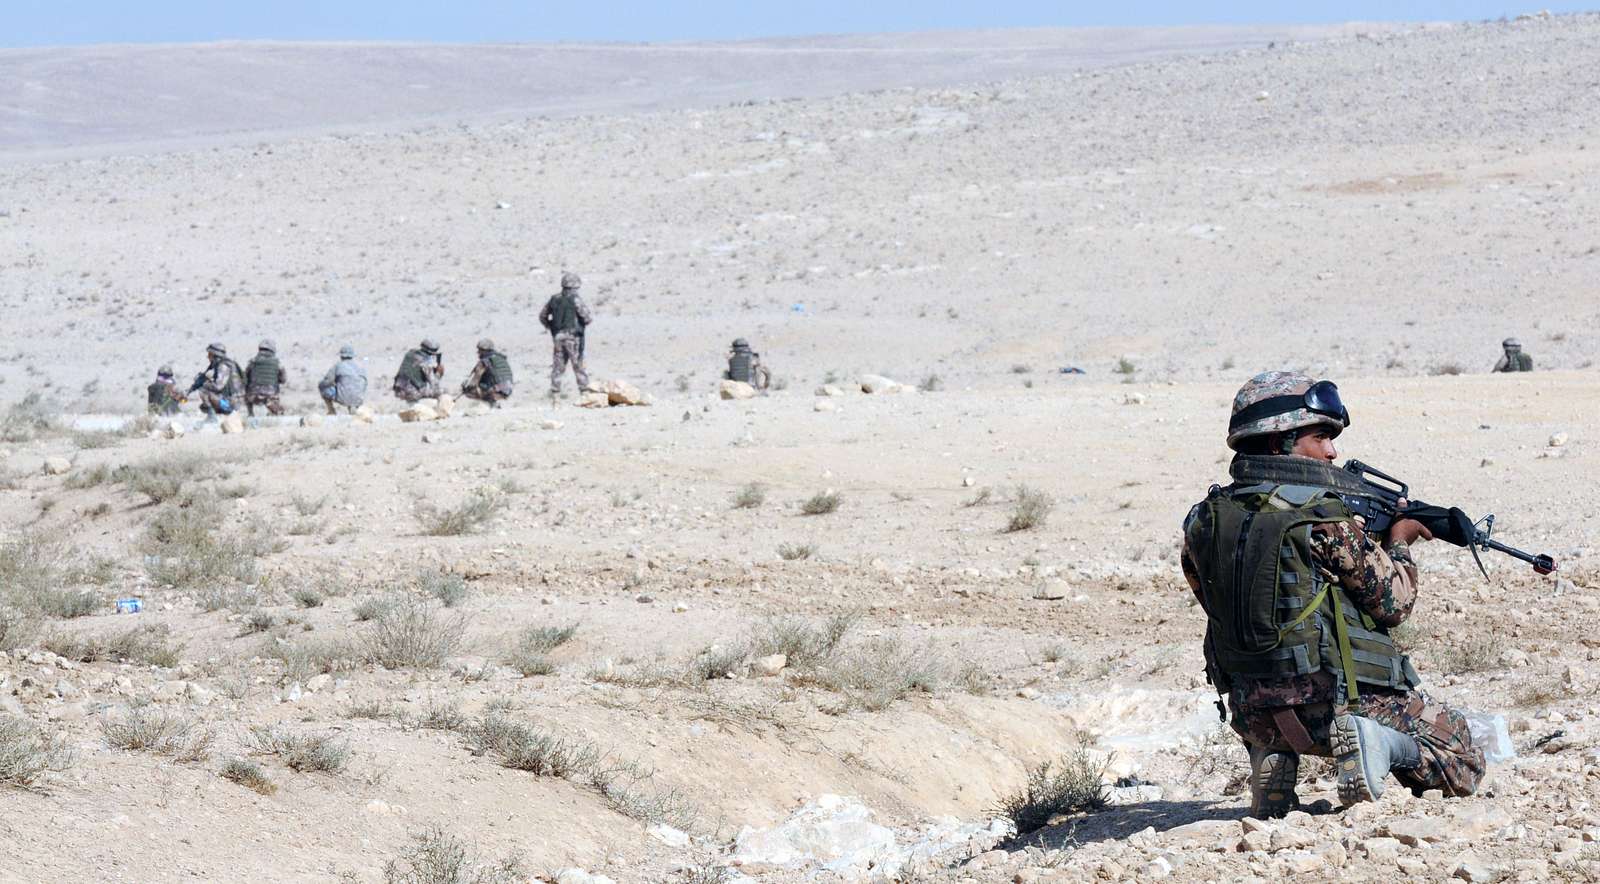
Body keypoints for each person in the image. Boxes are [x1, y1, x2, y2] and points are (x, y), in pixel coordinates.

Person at [1180, 371, 1484, 818]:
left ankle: (1273, 758)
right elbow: (1395, 603)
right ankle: (1378, 743)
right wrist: (1398, 541)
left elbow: (1218, 603)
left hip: (1251, 712)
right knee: (1462, 757)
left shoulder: (1202, 521)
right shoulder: (1324, 519)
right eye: (1321, 437)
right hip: (1338, 706)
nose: (1332, 451)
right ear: (1277, 442)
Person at [540, 271, 593, 396]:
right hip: (573, 338)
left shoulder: (554, 299)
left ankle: (555, 395)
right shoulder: (576, 300)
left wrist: (552, 327)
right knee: (578, 365)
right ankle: (584, 393)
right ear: (575, 286)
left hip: (558, 338)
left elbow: (543, 316)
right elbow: (587, 318)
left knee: (558, 367)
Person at [187, 342, 244, 418]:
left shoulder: (223, 366)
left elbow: (218, 386)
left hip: (232, 402)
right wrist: (190, 389)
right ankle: (221, 415)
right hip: (232, 399)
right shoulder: (221, 364)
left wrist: (205, 383)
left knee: (203, 391)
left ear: (215, 355)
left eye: (209, 354)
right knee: (203, 407)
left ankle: (213, 418)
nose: (208, 357)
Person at [460, 338, 514, 406]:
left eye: (479, 350)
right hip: (508, 389)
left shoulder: (485, 361)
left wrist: (466, 388)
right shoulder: (500, 358)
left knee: (470, 391)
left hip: (496, 390)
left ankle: (488, 403)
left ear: (484, 350)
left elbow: (474, 380)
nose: (478, 353)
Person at [319, 345, 368, 414]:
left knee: (322, 387)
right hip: (359, 398)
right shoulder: (360, 367)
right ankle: (353, 408)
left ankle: (331, 410)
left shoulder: (338, 366)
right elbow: (365, 384)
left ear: (341, 356)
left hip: (343, 397)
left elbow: (328, 380)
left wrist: (323, 384)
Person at [243, 339, 287, 417]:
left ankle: (250, 414)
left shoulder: (252, 361)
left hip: (253, 396)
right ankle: (275, 413)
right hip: (270, 395)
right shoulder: (277, 363)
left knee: (247, 396)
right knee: (278, 410)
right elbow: (283, 380)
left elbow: (244, 378)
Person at [393, 338, 444, 402]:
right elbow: (434, 384)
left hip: (398, 389)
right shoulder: (426, 363)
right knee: (440, 391)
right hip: (411, 393)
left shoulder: (410, 353)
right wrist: (438, 374)